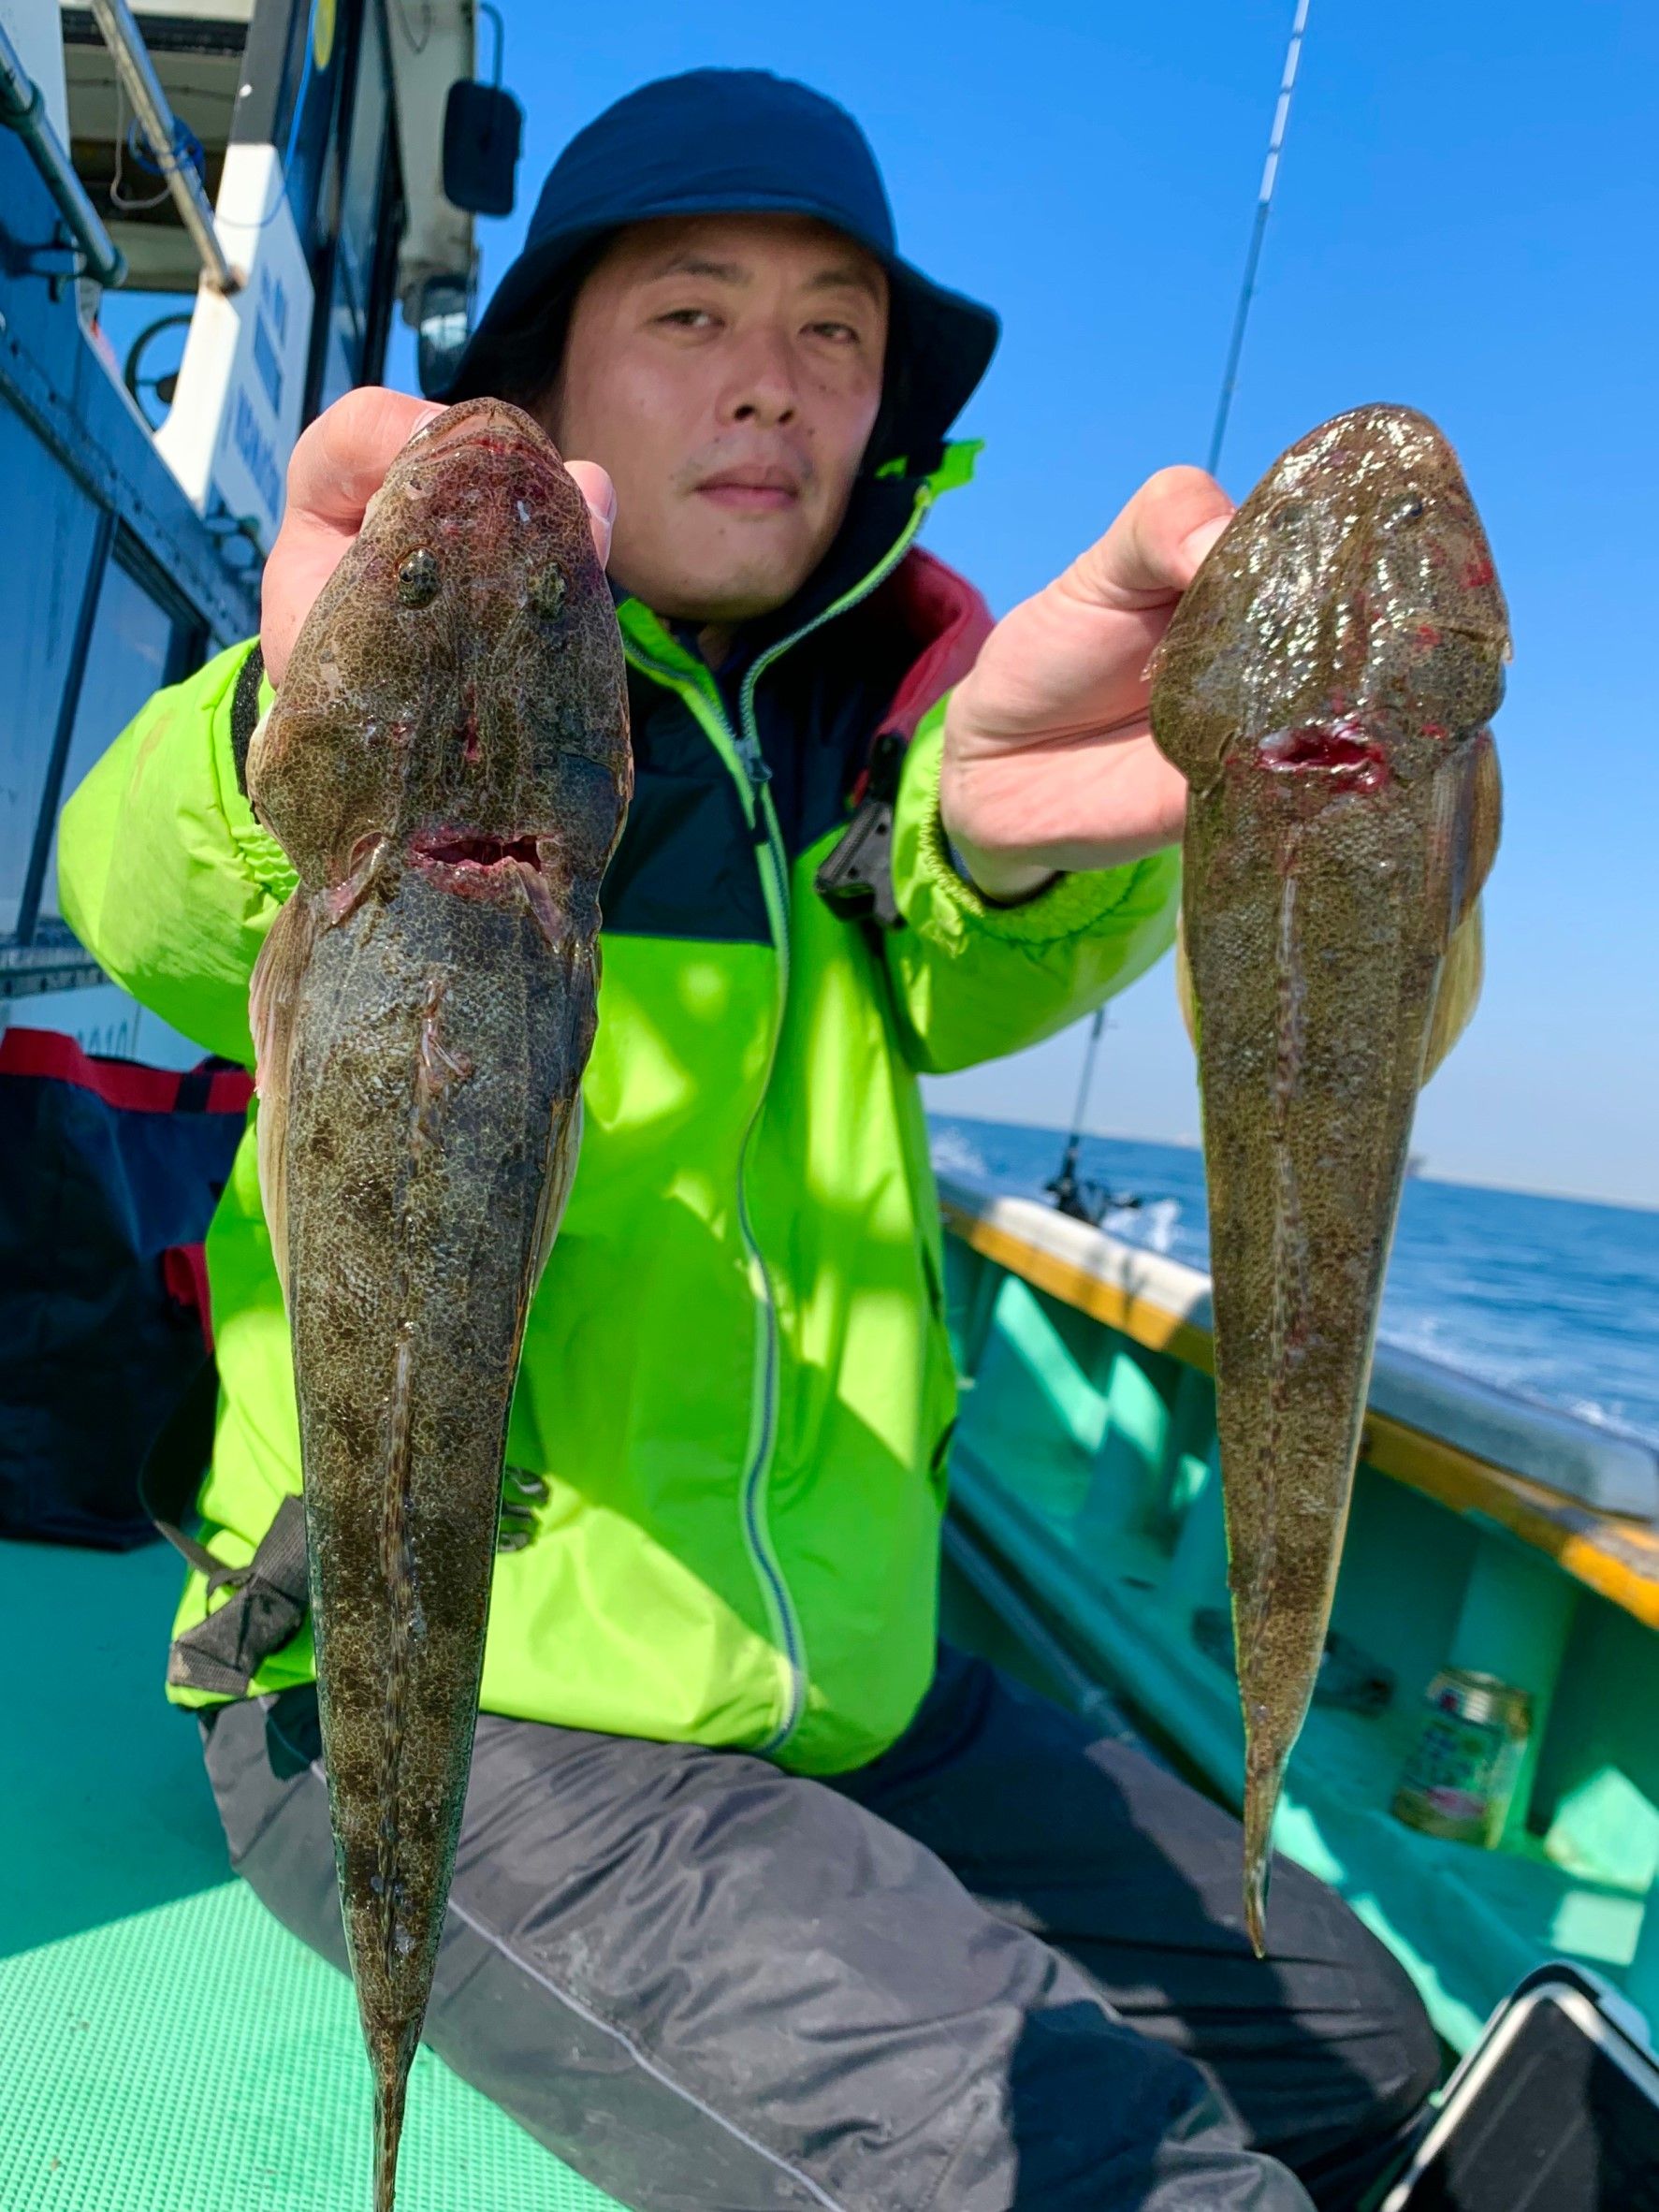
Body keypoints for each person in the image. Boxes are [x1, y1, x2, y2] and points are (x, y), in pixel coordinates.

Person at [60, 68, 1438, 2212]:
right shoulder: (361, 707)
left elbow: (964, 952)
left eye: (833, 333)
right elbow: (142, 897)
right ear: (545, 373)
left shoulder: (875, 745)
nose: (770, 383)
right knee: (1116, 2182)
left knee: (1377, 2057)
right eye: (691, 314)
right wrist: (285, 737)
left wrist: (1005, 838)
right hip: (486, 1706)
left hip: (860, 1698)